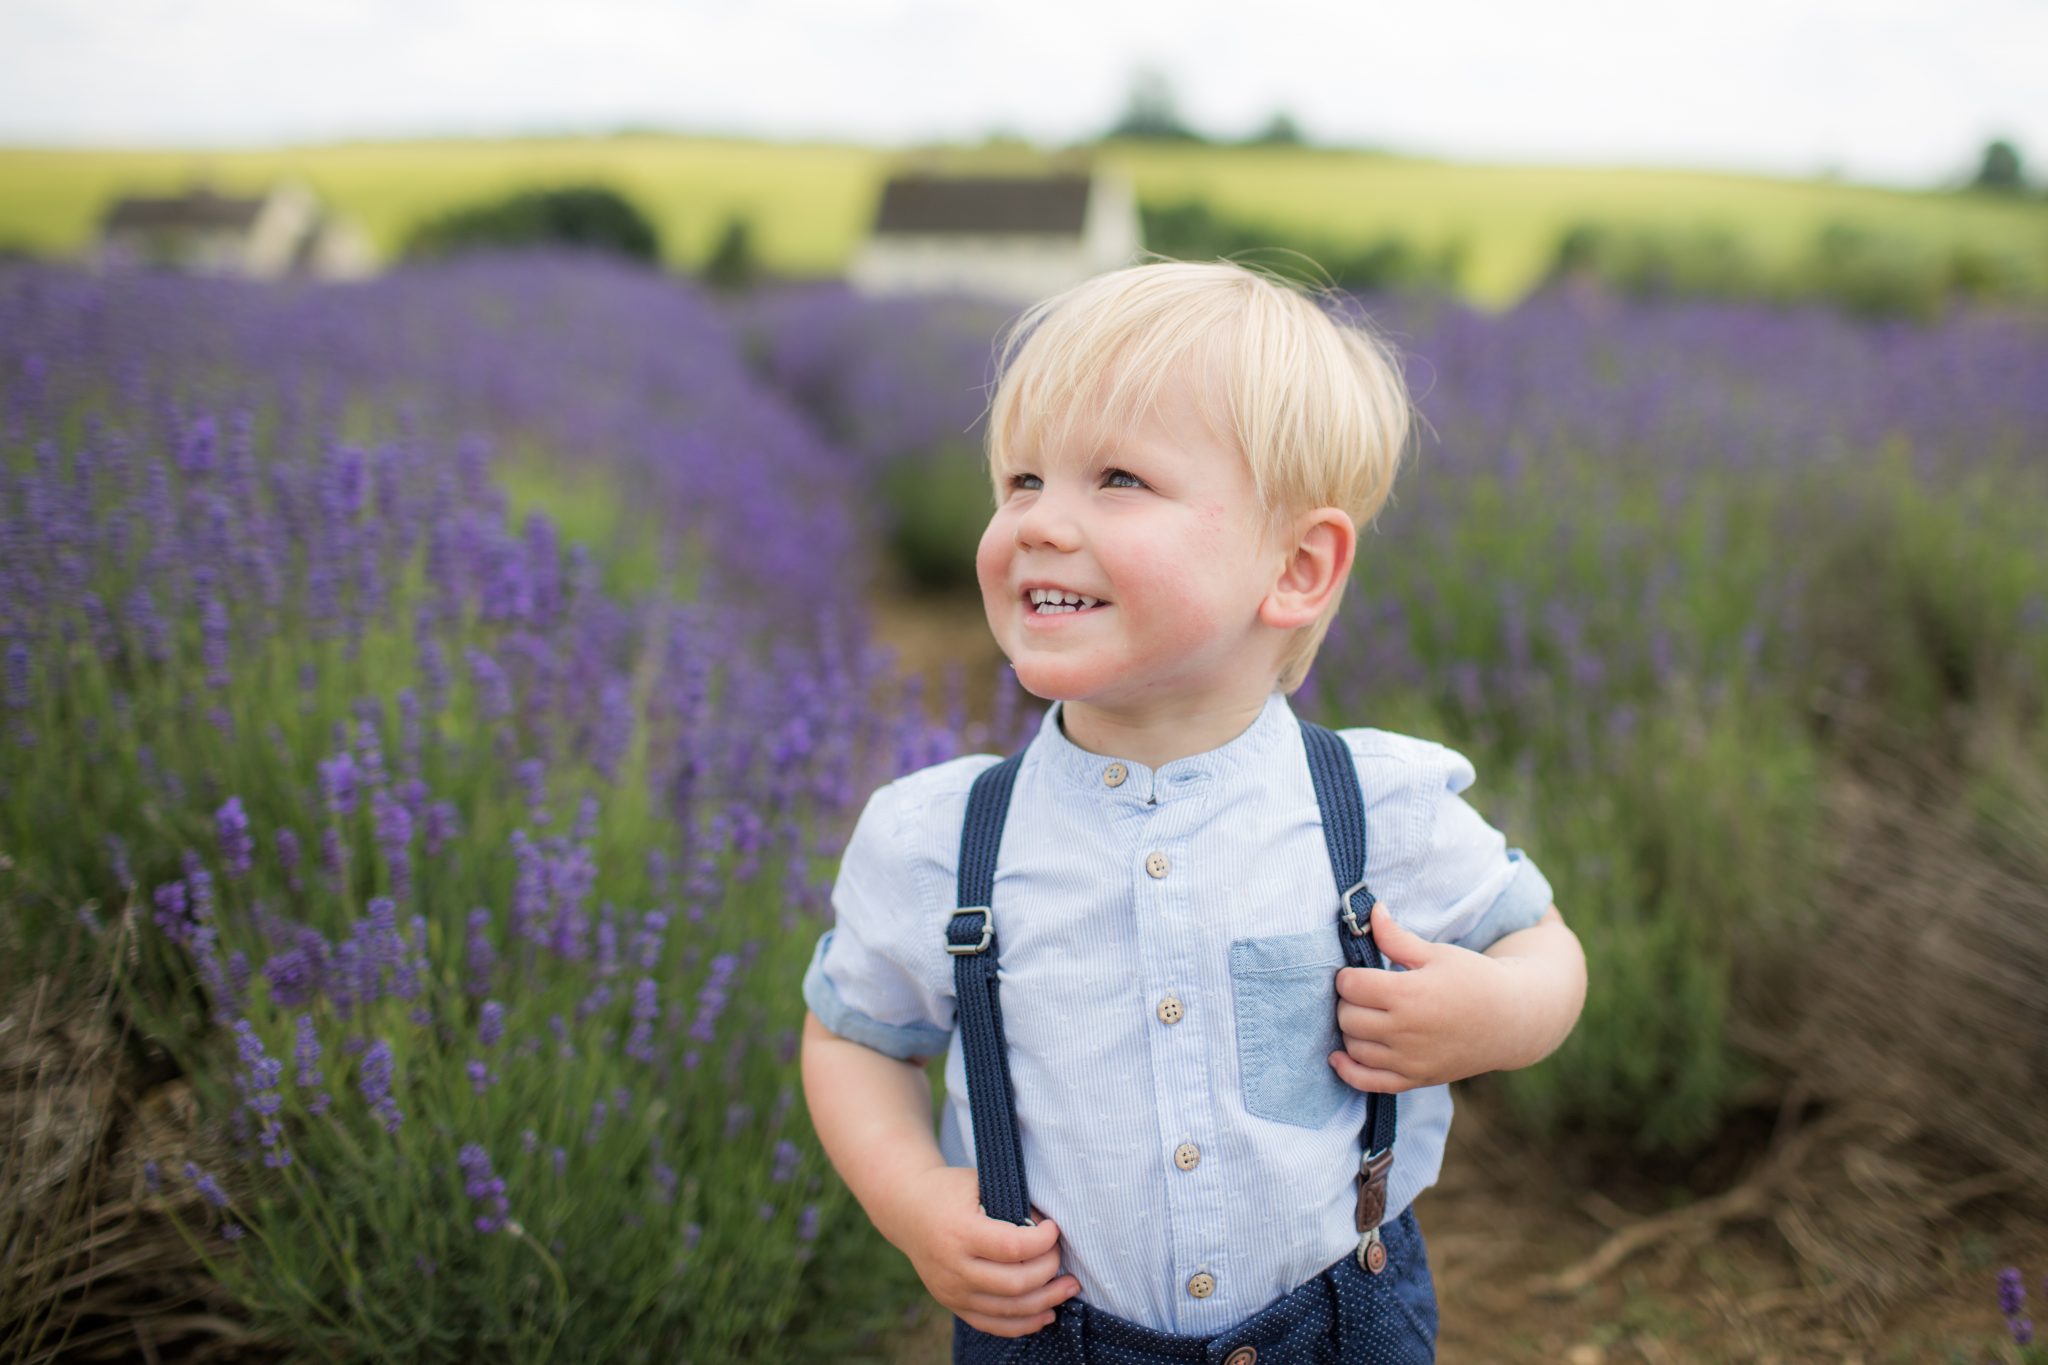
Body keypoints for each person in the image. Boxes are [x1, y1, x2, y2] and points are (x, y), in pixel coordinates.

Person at [799, 259, 1588, 1363]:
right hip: (1052, 1337)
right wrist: (913, 1201)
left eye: (1115, 479)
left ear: (1297, 567)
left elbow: (1541, 947)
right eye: (1021, 481)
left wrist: (1498, 1015)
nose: (1037, 522)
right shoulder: (938, 841)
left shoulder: (1371, 807)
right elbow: (854, 1039)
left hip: (1337, 1324)